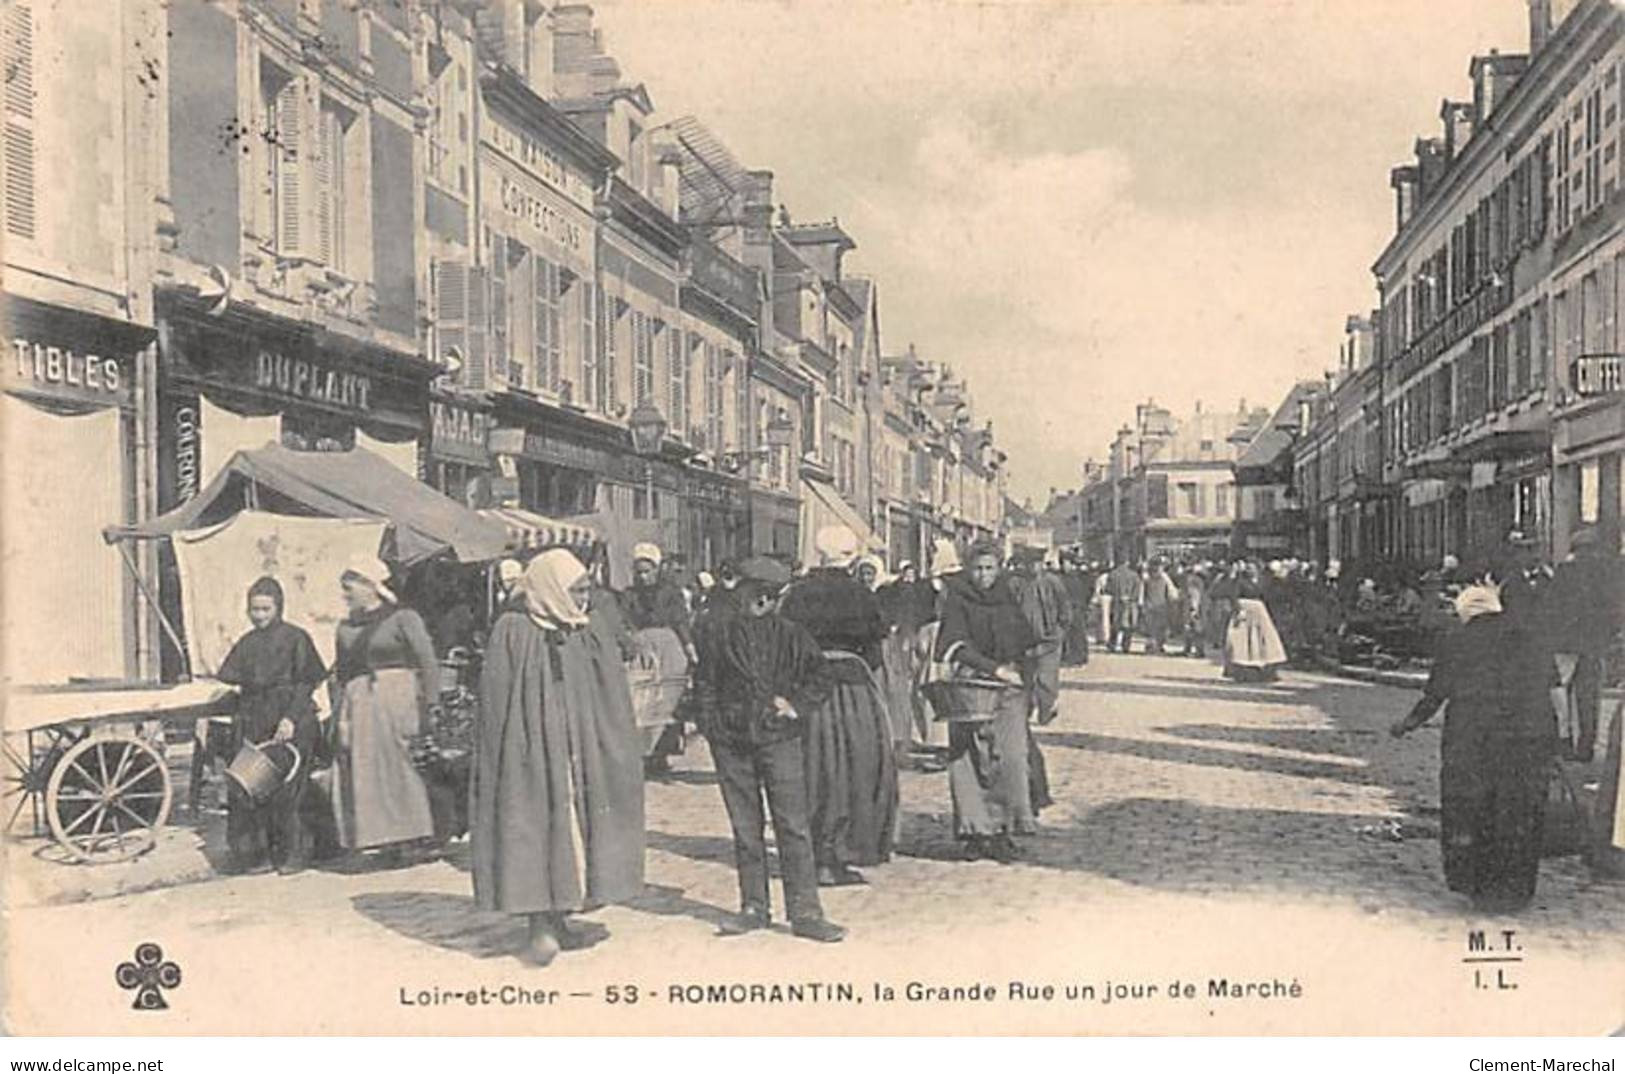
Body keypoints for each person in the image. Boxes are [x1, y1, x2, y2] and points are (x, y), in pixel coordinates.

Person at [471, 549, 646, 965]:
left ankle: (563, 911)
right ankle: (539, 923)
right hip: (530, 749)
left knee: (576, 829)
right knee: (535, 827)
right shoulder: (513, 630)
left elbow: (611, 692)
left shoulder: (587, 629)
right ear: (549, 587)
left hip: (580, 750)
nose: (583, 599)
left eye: (587, 590)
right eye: (576, 591)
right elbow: (496, 699)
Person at [1390, 560, 1558, 912]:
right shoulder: (1530, 637)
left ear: (1466, 611)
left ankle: (1477, 884)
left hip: (1472, 736)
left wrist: (1406, 724)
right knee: (1519, 809)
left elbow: (1434, 695)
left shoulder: (1457, 639)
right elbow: (1549, 688)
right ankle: (1515, 890)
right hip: (1527, 736)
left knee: (1472, 807)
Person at [692, 556, 845, 942]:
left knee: (792, 825)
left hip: (779, 739)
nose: (753, 602)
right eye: (747, 593)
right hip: (732, 741)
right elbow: (705, 684)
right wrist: (713, 728)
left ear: (770, 598)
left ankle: (806, 912)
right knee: (746, 827)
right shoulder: (718, 634)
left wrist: (795, 705)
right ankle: (753, 906)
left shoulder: (792, 635)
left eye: (762, 596)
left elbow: (822, 675)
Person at [778, 527, 898, 884]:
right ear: (850, 555)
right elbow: (875, 651)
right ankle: (842, 851)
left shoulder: (796, 595)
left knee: (813, 769)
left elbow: (785, 644)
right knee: (859, 767)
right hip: (853, 690)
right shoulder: (861, 595)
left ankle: (814, 854)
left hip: (809, 691)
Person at [328, 557, 441, 858]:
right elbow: (341, 674)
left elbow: (427, 661)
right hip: (360, 704)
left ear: (370, 586)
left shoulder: (403, 618)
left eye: (349, 588)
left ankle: (415, 837)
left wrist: (430, 703)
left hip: (397, 699)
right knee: (367, 771)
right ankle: (383, 838)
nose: (345, 595)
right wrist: (340, 714)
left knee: (400, 767)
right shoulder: (345, 628)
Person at [215, 576, 327, 875]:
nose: (260, 616)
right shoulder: (247, 642)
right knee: (254, 786)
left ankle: (295, 854)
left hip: (291, 718)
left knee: (290, 789)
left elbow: (307, 682)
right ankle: (258, 854)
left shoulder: (296, 638)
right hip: (255, 718)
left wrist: (290, 718)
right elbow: (228, 673)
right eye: (255, 609)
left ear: (279, 607)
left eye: (266, 609)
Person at [935, 539, 1039, 862]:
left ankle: (1003, 829)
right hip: (972, 687)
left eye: (989, 568)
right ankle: (975, 830)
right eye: (977, 569)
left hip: (1009, 692)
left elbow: (1024, 643)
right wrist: (991, 668)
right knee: (968, 760)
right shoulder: (958, 600)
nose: (983, 575)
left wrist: (1030, 683)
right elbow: (954, 644)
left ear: (999, 568)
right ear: (968, 569)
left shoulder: (1008, 598)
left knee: (1010, 758)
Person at [1544, 527, 1622, 764]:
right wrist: (1608, 635)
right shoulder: (1606, 574)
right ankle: (1586, 746)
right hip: (1592, 644)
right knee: (1588, 698)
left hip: (1565, 644)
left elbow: (1552, 606)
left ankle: (1564, 742)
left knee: (1560, 695)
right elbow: (1615, 609)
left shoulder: (1565, 572)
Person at [621, 542, 694, 775]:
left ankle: (661, 752)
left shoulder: (670, 592)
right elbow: (625, 622)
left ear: (657, 568)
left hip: (668, 648)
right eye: (639, 572)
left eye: (647, 571)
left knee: (667, 701)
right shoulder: (629, 595)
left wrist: (690, 648)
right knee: (642, 701)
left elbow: (680, 620)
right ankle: (643, 753)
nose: (643, 577)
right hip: (641, 650)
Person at [1010, 548, 1071, 725]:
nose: (1033, 567)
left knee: (1047, 679)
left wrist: (1059, 631)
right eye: (1030, 564)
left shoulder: (1053, 582)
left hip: (1049, 641)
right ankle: (1026, 709)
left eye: (1037, 563)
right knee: (1025, 679)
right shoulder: (1016, 583)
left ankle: (1046, 710)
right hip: (1023, 642)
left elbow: (1065, 609)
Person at [1223, 563, 1287, 683]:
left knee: (1265, 640)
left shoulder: (1262, 582)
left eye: (1252, 568)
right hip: (1244, 611)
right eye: (1248, 568)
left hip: (1259, 611)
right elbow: (1233, 596)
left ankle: (1266, 670)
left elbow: (1269, 596)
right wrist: (1238, 609)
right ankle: (1242, 671)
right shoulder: (1240, 582)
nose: (1250, 571)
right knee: (1242, 640)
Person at [1140, 558, 1178, 655]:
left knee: (1154, 628)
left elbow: (1142, 592)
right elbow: (1172, 592)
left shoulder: (1148, 578)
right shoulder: (1163, 578)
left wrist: (1141, 604)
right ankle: (1156, 645)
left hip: (1153, 606)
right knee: (1157, 628)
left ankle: (1154, 645)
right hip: (1160, 606)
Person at [1060, 557, 1093, 666]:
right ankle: (1074, 656)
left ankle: (1078, 656)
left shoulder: (1080, 577)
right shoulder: (1066, 578)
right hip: (1071, 607)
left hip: (1077, 607)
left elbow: (1089, 591)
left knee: (1077, 633)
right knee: (1071, 634)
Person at [1104, 560, 1142, 653]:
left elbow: (1108, 589)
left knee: (1115, 624)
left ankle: (1112, 644)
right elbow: (1137, 589)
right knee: (1128, 625)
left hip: (1116, 602)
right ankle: (1126, 645)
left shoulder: (1112, 574)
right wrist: (1131, 597)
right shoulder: (1134, 575)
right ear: (1127, 563)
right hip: (1130, 603)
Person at [1178, 565, 1206, 657]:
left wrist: (1193, 609)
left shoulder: (1193, 584)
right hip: (1194, 608)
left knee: (1194, 630)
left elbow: (1194, 597)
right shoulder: (1196, 583)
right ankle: (1191, 649)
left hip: (1193, 609)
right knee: (1191, 630)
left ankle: (1197, 650)